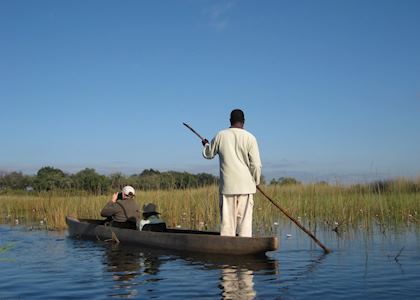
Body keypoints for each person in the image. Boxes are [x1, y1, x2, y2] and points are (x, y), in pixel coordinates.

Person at [202, 109, 262, 237]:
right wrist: (255, 182)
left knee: (227, 226)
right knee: (245, 227)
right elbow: (256, 165)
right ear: (244, 122)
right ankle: (245, 248)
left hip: (228, 187)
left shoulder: (221, 135)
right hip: (246, 187)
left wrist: (206, 145)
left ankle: (228, 249)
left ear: (230, 121)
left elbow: (209, 154)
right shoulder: (250, 138)